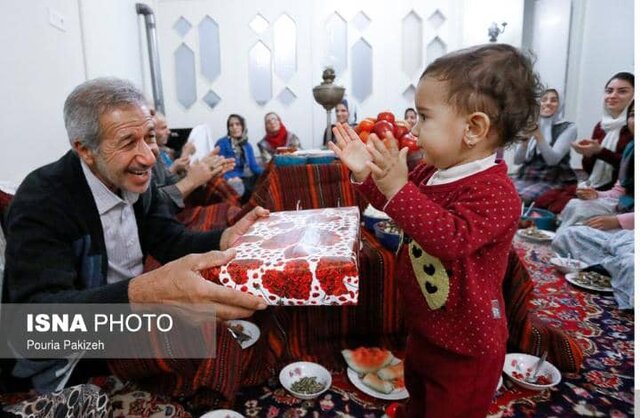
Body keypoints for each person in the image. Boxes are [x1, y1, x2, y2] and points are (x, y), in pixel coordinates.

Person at [2, 78, 269, 392]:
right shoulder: (43, 199)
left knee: (233, 328)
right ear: (85, 150)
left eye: (150, 136)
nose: (150, 156)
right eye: (129, 142)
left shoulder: (136, 177)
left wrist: (224, 239)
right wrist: (143, 295)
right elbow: (35, 329)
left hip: (128, 312)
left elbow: (171, 240)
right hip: (74, 349)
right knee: (205, 337)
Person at [330, 44, 540, 418]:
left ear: (474, 128)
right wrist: (364, 173)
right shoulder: (431, 170)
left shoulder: (496, 193)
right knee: (420, 394)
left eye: (424, 118)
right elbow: (398, 204)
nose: (413, 128)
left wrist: (397, 188)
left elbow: (449, 238)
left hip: (468, 347)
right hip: (428, 328)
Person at [535, 72, 634, 213]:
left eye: (622, 91)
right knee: (543, 199)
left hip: (617, 191)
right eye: (609, 91)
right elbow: (589, 170)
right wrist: (589, 153)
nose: (612, 96)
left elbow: (629, 170)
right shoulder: (602, 126)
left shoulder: (633, 126)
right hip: (593, 183)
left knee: (562, 206)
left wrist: (600, 152)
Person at [151, 111, 235, 213]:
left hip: (180, 199)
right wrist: (187, 172)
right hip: (176, 206)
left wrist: (201, 170)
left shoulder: (164, 153)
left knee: (218, 183)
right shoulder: (153, 157)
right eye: (163, 128)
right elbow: (162, 192)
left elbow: (171, 181)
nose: (169, 131)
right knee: (218, 187)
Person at [511, 88, 578, 203]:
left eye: (553, 100)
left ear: (560, 104)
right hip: (527, 176)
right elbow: (517, 161)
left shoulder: (568, 127)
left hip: (552, 178)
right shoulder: (532, 123)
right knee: (499, 192)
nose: (548, 103)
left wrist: (538, 135)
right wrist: (524, 142)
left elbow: (552, 160)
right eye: (544, 99)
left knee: (521, 199)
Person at [215, 114, 264, 203]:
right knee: (239, 187)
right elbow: (218, 167)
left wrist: (268, 172)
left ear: (243, 126)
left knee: (262, 181)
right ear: (228, 128)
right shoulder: (222, 143)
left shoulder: (247, 146)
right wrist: (230, 177)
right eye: (231, 125)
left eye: (238, 124)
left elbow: (254, 167)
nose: (234, 127)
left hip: (244, 178)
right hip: (227, 178)